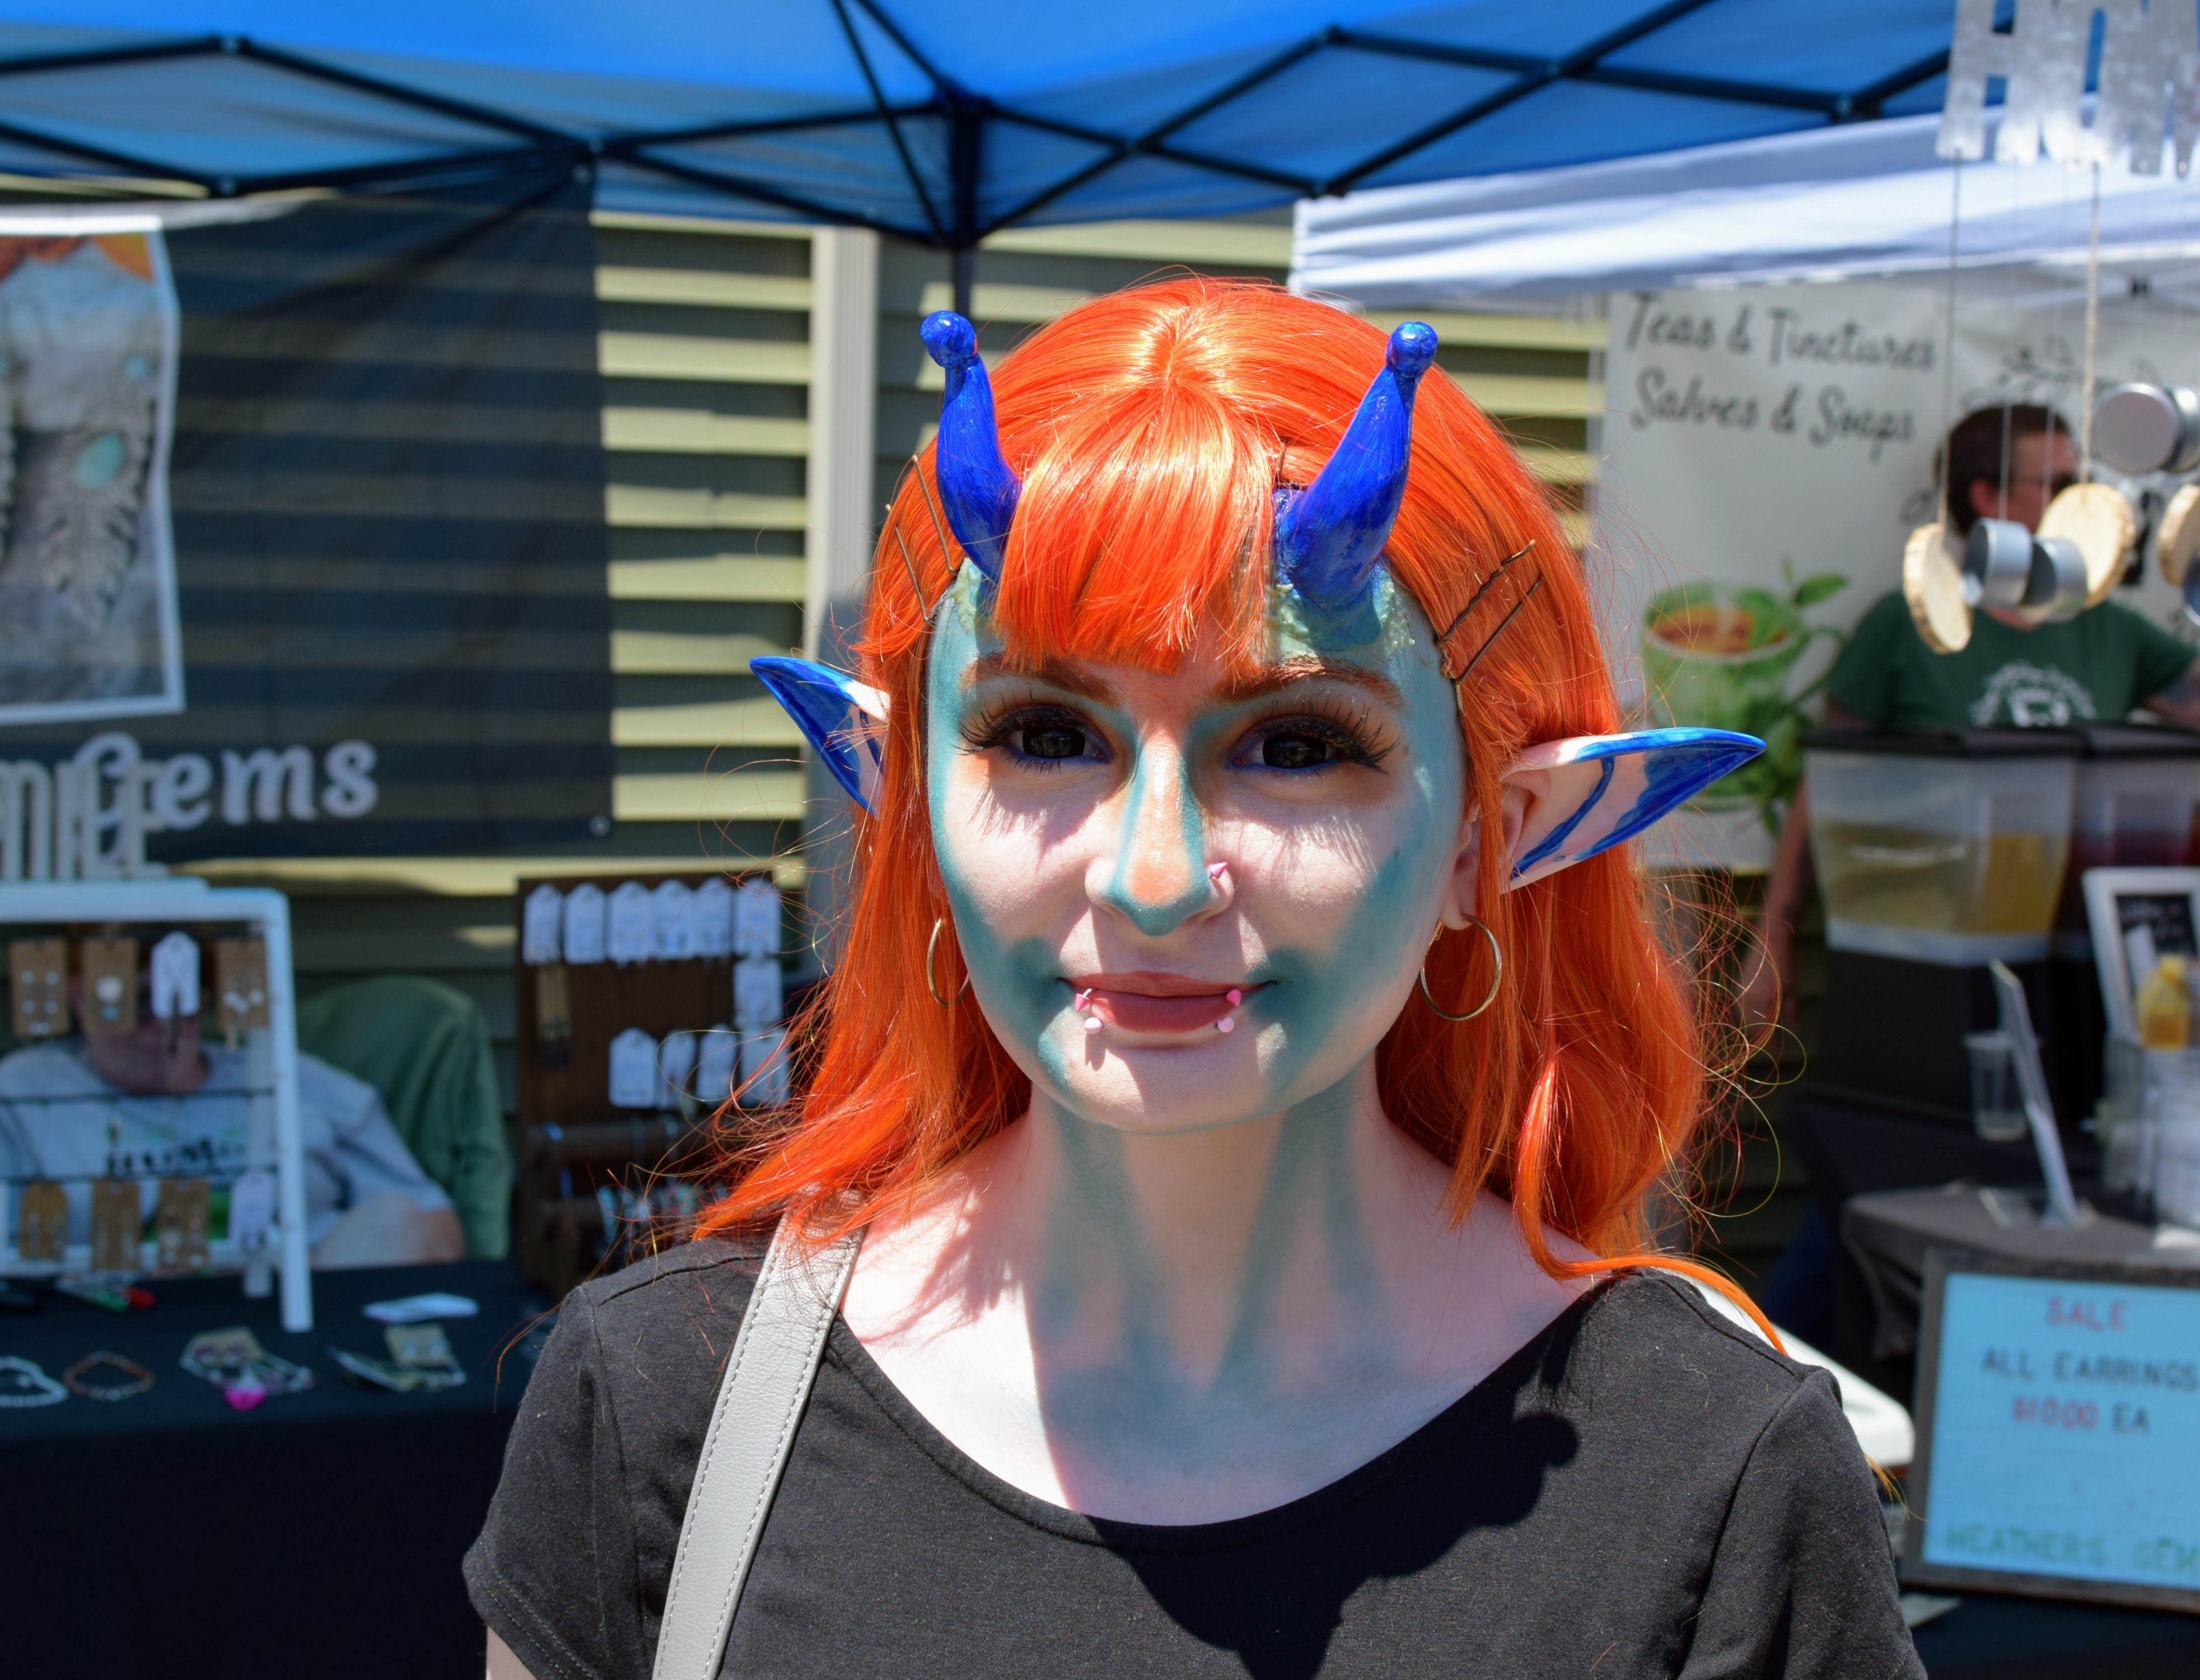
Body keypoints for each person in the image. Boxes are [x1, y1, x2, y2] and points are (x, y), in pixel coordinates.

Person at [469, 282, 1918, 1679]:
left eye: (1296, 745)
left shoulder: (1722, 1486)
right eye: (1044, 733)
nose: (1151, 878)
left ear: (1503, 834)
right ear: (900, 794)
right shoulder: (665, 1411)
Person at [1740, 404, 2200, 1030]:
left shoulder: (2112, 629)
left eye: (2080, 484)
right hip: (1926, 960)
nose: (2081, 504)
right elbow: (1828, 789)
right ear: (1988, 497)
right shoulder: (1904, 625)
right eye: (2057, 486)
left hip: (2072, 970)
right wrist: (1773, 937)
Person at [0, 939, 463, 1268]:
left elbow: (434, 1227)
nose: (162, 1027)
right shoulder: (27, 1089)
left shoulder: (294, 1079)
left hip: (307, 1296)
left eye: (179, 1003)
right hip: (121, 1309)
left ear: (205, 1003)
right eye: (136, 1003)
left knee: (395, 1218)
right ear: (79, 997)